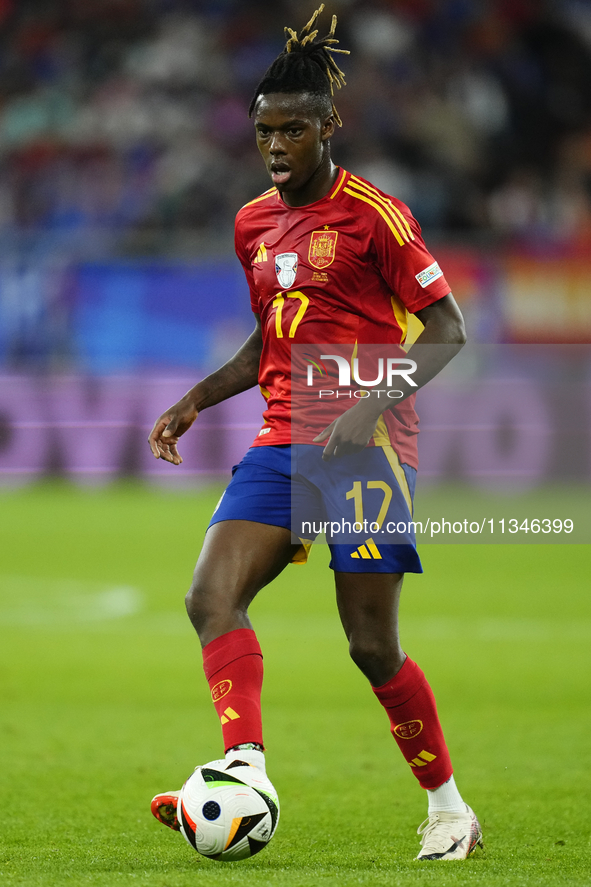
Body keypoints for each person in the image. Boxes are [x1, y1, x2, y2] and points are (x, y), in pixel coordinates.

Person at [148, 5, 482, 862]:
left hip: (369, 450)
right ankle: (244, 767)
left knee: (370, 644)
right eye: (265, 131)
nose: (275, 145)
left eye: (292, 130)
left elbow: (445, 328)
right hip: (281, 440)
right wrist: (198, 396)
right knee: (208, 597)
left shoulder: (376, 215)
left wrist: (372, 402)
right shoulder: (251, 222)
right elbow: (270, 335)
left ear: (328, 128)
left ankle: (448, 808)